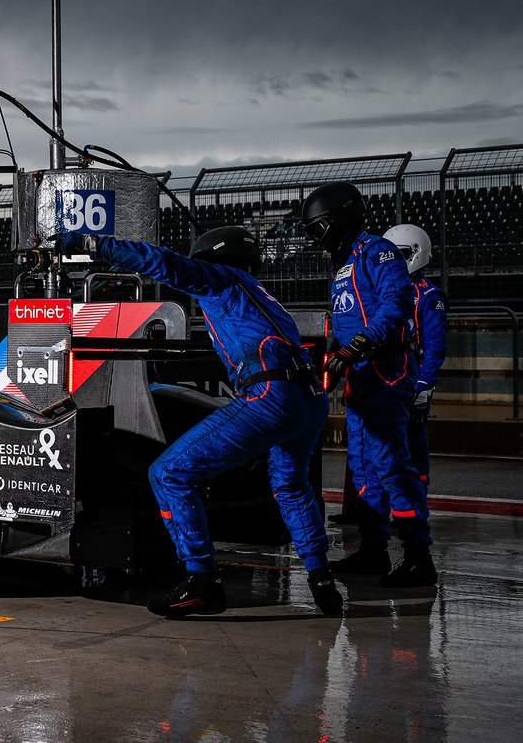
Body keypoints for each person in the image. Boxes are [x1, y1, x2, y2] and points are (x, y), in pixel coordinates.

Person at [55, 226, 342, 617]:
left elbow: (162, 264)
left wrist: (95, 245)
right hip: (309, 399)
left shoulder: (220, 279)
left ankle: (203, 582)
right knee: (290, 486)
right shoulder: (259, 295)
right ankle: (322, 581)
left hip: (270, 395)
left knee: (169, 473)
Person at [301, 182, 436, 587]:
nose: (316, 239)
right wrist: (334, 355)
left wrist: (356, 347)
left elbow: (395, 305)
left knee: (392, 465)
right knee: (362, 470)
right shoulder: (343, 266)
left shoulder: (377, 252)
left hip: (384, 370)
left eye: (319, 229)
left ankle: (418, 557)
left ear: (339, 220)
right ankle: (373, 552)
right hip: (357, 377)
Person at [382, 223, 447, 498]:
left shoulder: (430, 297)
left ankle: (415, 498)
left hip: (414, 379)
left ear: (417, 254)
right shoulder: (386, 291)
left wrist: (424, 385)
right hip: (389, 375)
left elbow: (434, 346)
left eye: (402, 254)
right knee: (386, 444)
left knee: (413, 442)